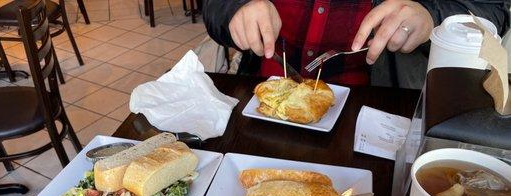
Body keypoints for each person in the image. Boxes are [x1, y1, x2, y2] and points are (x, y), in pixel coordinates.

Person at [202, 0, 510, 88]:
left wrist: (431, 16)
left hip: (376, 111)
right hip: (261, 96)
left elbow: (491, 11)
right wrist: (234, 9)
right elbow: (215, 6)